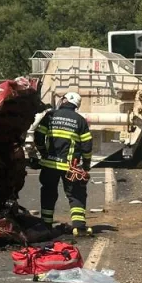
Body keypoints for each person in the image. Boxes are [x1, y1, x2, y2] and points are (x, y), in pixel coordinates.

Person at [35, 91, 94, 236]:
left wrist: (43, 152)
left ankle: (46, 225)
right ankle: (78, 227)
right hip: (70, 167)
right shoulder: (80, 121)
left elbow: (38, 135)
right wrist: (86, 165)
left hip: (50, 165)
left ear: (65, 101)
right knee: (76, 194)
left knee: (48, 192)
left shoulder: (50, 116)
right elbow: (87, 145)